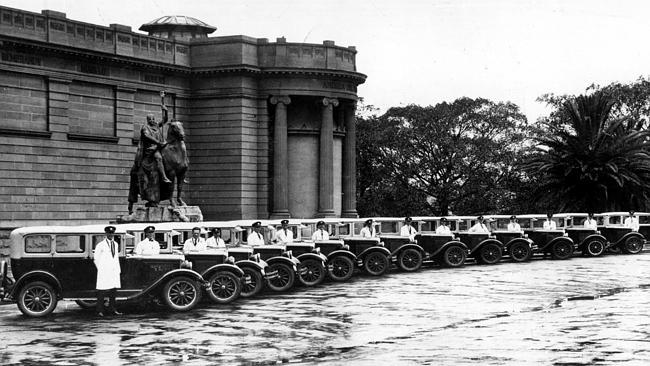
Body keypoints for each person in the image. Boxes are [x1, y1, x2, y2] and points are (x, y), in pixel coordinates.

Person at [94, 226, 122, 317]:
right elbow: (96, 259)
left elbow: (116, 258)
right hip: (104, 271)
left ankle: (112, 309)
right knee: (102, 291)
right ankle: (100, 311)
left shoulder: (116, 244)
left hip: (113, 271)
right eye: (109, 233)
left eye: (112, 233)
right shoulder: (100, 245)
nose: (111, 235)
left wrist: (118, 269)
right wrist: (102, 269)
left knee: (113, 291)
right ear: (106, 234)